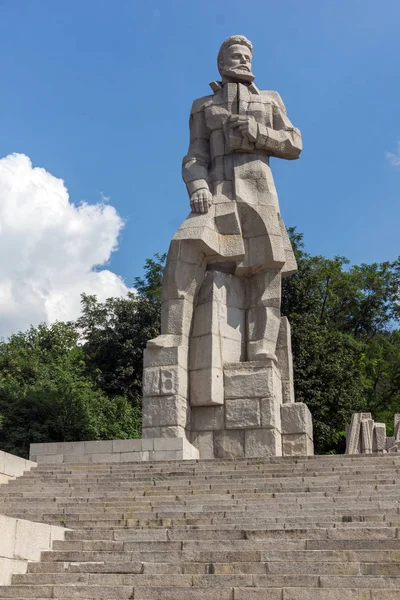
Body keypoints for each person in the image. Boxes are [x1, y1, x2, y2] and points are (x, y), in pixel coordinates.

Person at [148, 35, 302, 362]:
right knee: (184, 245)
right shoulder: (203, 105)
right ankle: (173, 332)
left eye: (247, 55)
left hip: (259, 191)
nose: (243, 59)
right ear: (221, 62)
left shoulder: (271, 99)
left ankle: (262, 346)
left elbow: (294, 143)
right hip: (218, 188)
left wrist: (257, 132)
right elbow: (194, 156)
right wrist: (197, 186)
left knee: (266, 267)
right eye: (236, 54)